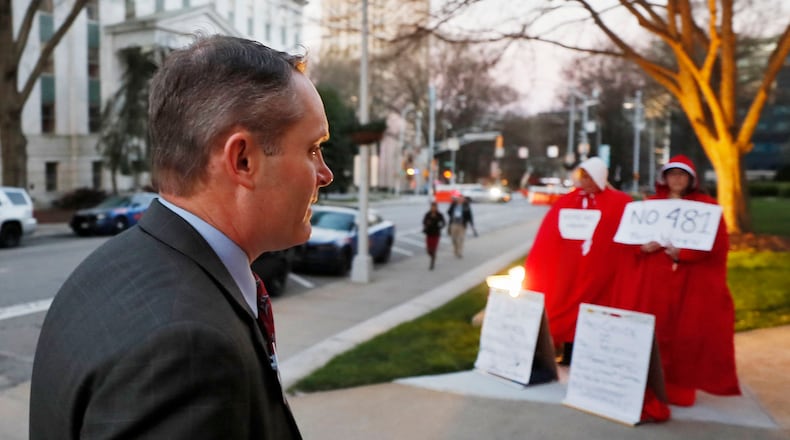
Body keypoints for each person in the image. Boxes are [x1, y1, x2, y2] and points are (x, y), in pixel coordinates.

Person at [29, 35, 333, 439]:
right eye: (312, 149)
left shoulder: (105, 269)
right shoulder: (188, 350)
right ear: (242, 159)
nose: (325, 174)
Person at [612, 154, 741, 407]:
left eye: (682, 175)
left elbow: (716, 246)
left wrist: (685, 254)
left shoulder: (706, 207)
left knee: (686, 333)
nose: (677, 179)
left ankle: (680, 385)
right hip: (655, 281)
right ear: (665, 178)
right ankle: (648, 381)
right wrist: (642, 248)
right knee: (655, 330)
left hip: (689, 281)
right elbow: (629, 242)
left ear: (691, 179)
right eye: (672, 174)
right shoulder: (651, 205)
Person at [521, 157, 632, 363]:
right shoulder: (568, 201)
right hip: (569, 272)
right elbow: (550, 234)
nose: (586, 182)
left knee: (593, 314)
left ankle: (586, 358)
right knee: (564, 310)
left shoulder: (619, 202)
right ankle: (559, 351)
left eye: (590, 177)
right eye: (583, 177)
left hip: (601, 273)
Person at [422, 201, 446, 270]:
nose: (433, 208)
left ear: (436, 208)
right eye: (432, 207)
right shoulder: (428, 214)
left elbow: (444, 223)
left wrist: (440, 226)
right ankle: (433, 256)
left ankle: (432, 263)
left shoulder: (439, 215)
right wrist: (427, 223)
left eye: (434, 207)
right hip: (429, 233)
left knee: (434, 248)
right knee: (428, 250)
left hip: (436, 234)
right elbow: (423, 222)